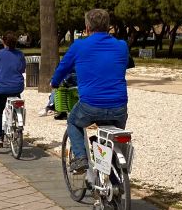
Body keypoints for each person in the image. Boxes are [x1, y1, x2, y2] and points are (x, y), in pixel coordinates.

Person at [50, 9, 130, 173]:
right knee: (109, 139)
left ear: (87, 28)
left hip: (91, 105)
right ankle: (113, 183)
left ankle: (81, 158)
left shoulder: (79, 46)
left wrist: (55, 83)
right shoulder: (122, 46)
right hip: (119, 106)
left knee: (73, 121)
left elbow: (63, 68)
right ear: (108, 27)